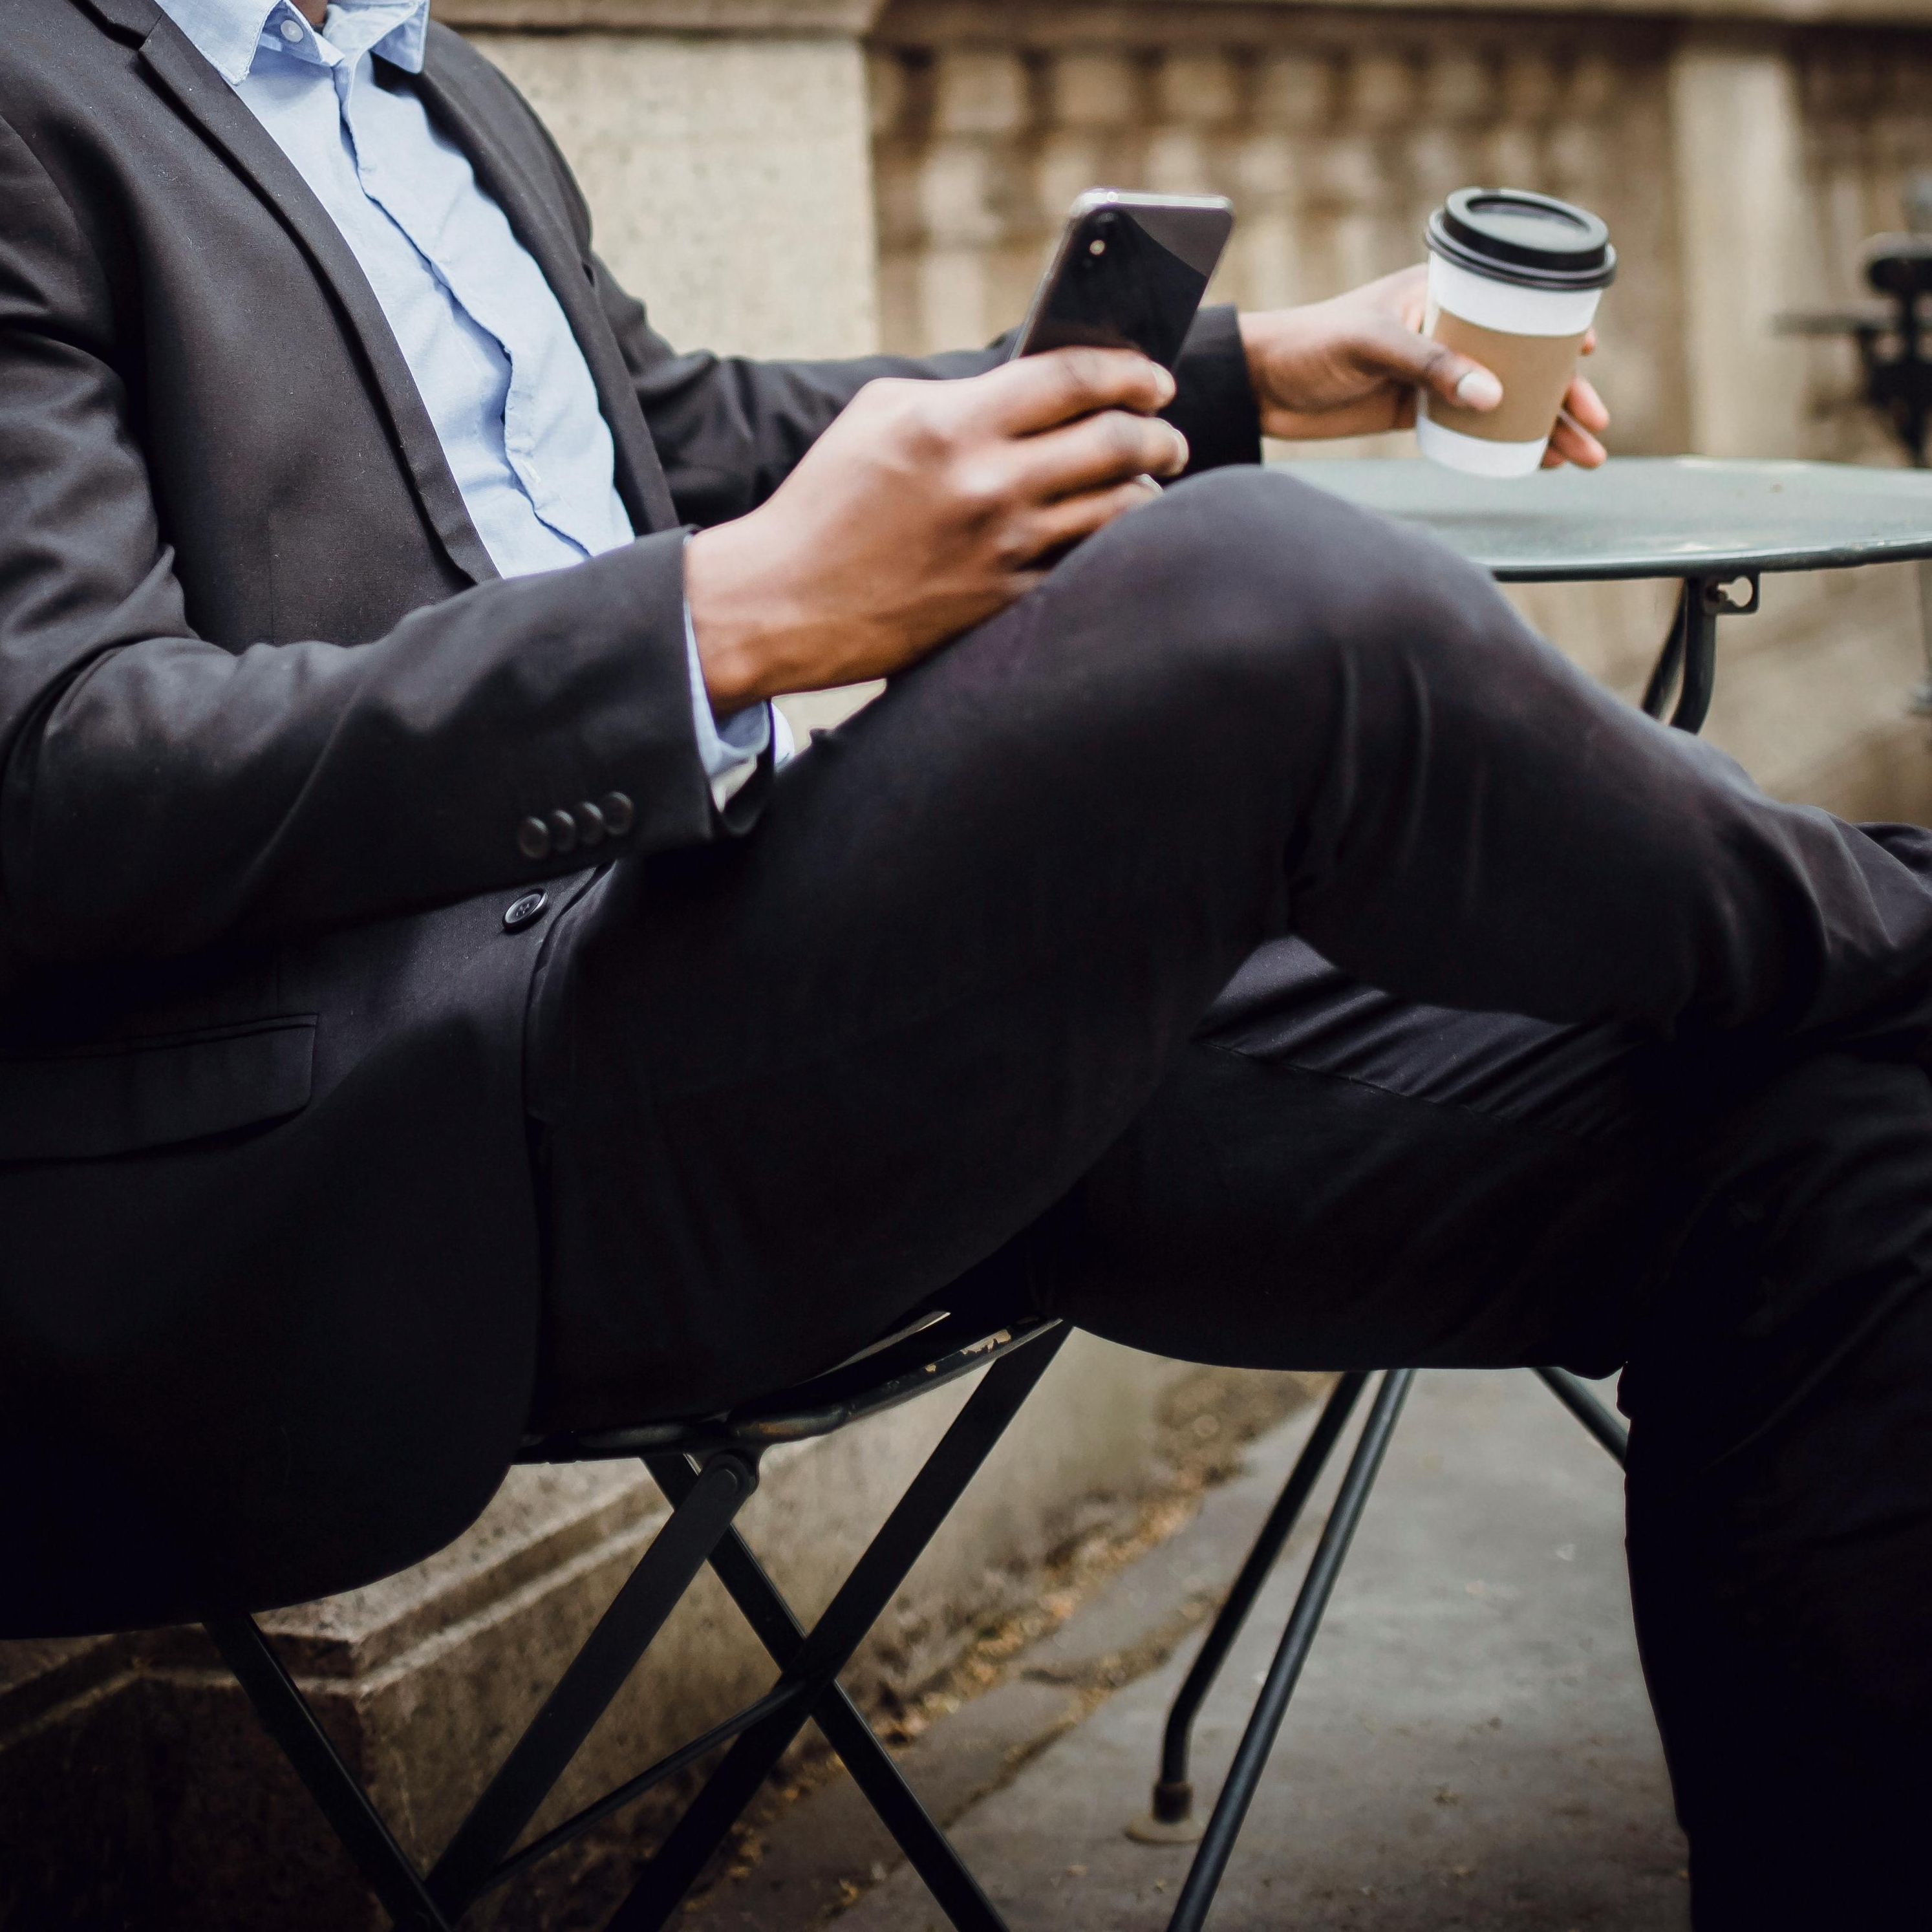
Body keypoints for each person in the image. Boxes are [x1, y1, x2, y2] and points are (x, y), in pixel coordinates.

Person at [2, 0, 1929, 1919]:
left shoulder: (423, 84)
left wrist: (1238, 368)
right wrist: (733, 616)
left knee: (1825, 1132)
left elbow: (681, 439)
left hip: (798, 1017)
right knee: (1254, 587)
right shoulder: (34, 93)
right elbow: (58, 769)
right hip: (437, 1129)